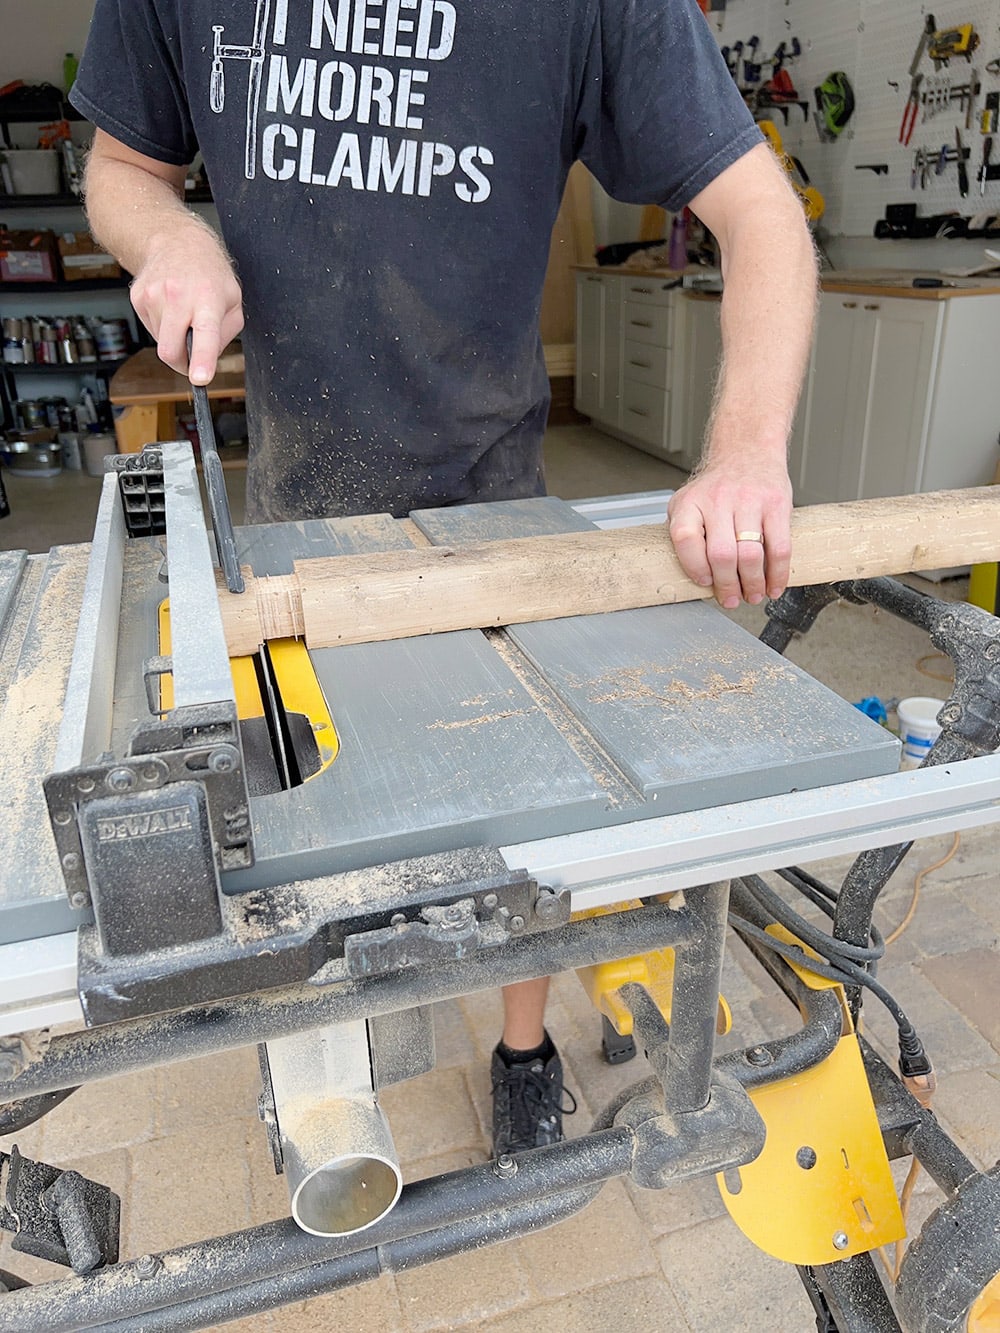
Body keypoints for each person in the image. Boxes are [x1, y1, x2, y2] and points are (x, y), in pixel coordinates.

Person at [72, 0, 817, 1158]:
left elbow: (760, 212)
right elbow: (120, 168)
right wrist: (168, 236)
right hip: (294, 509)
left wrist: (743, 453)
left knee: (512, 806)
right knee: (320, 802)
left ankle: (523, 1044)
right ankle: (341, 1037)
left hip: (490, 494)